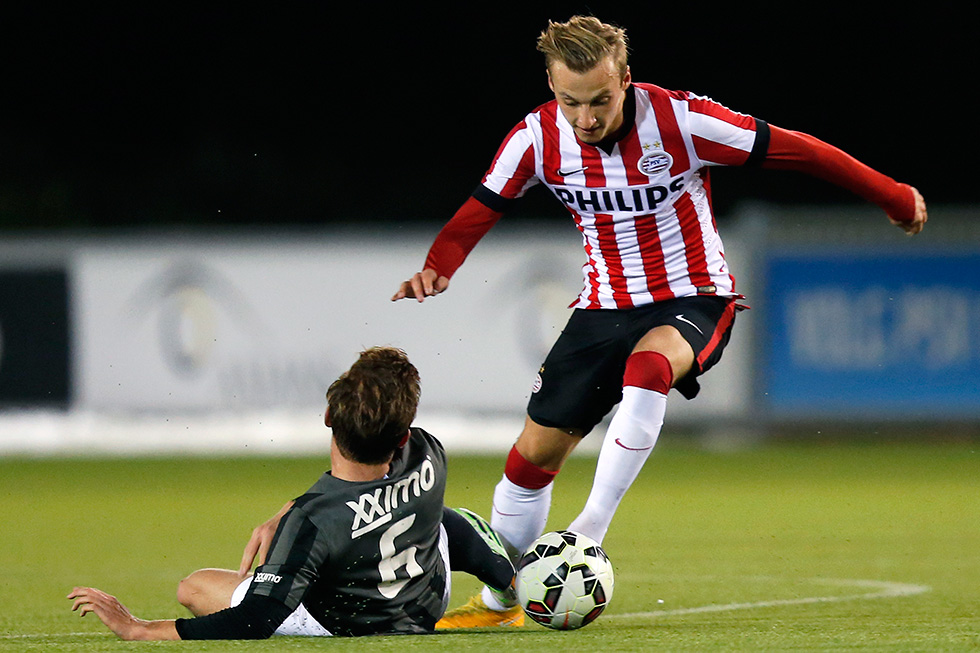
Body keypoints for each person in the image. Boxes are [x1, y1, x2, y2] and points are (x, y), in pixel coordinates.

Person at [390, 15, 929, 627]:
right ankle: (501, 601)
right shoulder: (537, 137)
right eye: (570, 101)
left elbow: (796, 149)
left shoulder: (680, 121)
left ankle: (586, 535)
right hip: (601, 307)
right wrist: (440, 265)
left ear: (625, 80)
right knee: (529, 461)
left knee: (649, 366)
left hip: (694, 296)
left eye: (599, 100)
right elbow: (484, 205)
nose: (585, 118)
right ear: (550, 84)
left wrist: (891, 194)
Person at [68, 346, 519, 639]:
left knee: (195, 586)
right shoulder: (426, 452)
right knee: (441, 518)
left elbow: (256, 619)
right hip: (426, 600)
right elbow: (364, 485)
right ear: (401, 436)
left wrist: (139, 629)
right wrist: (290, 511)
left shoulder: (314, 518)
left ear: (327, 417)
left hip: (347, 626)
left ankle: (504, 584)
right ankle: (510, 582)